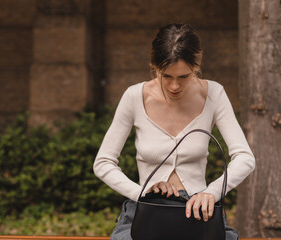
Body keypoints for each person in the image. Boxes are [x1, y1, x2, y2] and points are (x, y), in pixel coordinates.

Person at [93, 23, 255, 240]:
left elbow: (245, 157)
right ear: (154, 66)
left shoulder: (214, 94)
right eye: (166, 76)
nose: (174, 86)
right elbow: (103, 163)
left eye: (184, 77)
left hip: (200, 213)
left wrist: (212, 192)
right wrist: (142, 192)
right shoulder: (134, 97)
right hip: (147, 210)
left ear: (196, 66)